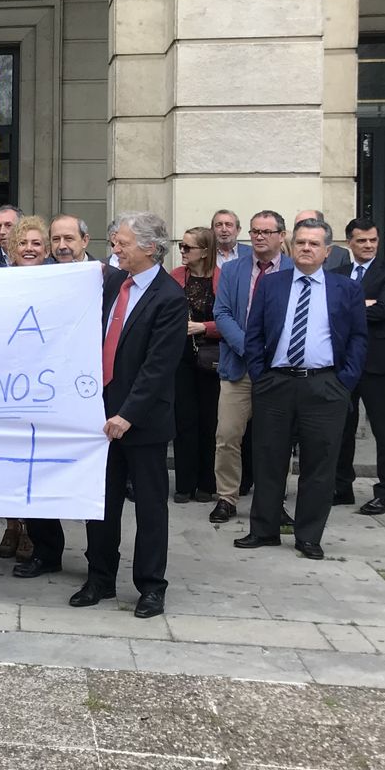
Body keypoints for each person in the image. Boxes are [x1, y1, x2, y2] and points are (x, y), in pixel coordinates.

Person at [72, 212, 186, 619]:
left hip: (143, 421)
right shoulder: (111, 284)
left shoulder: (170, 297)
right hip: (99, 415)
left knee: (151, 507)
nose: (115, 249)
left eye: (122, 243)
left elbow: (159, 366)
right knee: (100, 503)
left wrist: (128, 414)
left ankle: (151, 587)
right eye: (114, 241)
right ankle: (99, 578)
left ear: (150, 248)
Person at [235, 218, 368, 561]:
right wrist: (261, 377)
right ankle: (263, 529)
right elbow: (255, 334)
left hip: (324, 385)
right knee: (268, 458)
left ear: (327, 251)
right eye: (301, 242)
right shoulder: (272, 285)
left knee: (319, 464)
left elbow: (357, 339)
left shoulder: (346, 289)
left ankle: (308, 535)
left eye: (314, 243)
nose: (306, 248)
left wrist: (344, 382)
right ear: (291, 248)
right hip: (276, 383)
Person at [209, 210, 291, 525]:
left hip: (278, 369)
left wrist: (271, 353)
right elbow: (223, 312)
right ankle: (227, 498)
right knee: (227, 435)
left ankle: (272, 501)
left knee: (276, 439)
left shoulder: (295, 270)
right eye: (255, 231)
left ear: (281, 236)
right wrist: (250, 348)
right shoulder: (233, 270)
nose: (259, 237)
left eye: (266, 232)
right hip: (238, 367)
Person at [0, 216, 59, 576]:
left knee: (43, 473)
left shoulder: (63, 282)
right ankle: (17, 530)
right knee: (14, 469)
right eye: (23, 243)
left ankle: (46, 547)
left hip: (48, 393)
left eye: (37, 243)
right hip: (6, 392)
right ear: (12, 248)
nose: (30, 249)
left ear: (47, 249)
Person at [336, 219, 385, 515]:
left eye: (373, 240)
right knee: (341, 428)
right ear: (349, 241)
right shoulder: (336, 273)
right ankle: (341, 487)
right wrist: (363, 304)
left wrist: (353, 308)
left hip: (379, 363)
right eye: (362, 240)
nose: (368, 245)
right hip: (345, 362)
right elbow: (330, 309)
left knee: (384, 430)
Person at [171, 226, 222, 504]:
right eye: (181, 246)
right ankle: (184, 483)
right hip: (181, 358)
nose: (182, 252)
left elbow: (231, 320)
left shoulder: (222, 280)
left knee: (209, 422)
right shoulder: (176, 277)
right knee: (183, 420)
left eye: (187, 248)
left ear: (204, 251)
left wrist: (204, 327)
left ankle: (206, 483)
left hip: (212, 359)